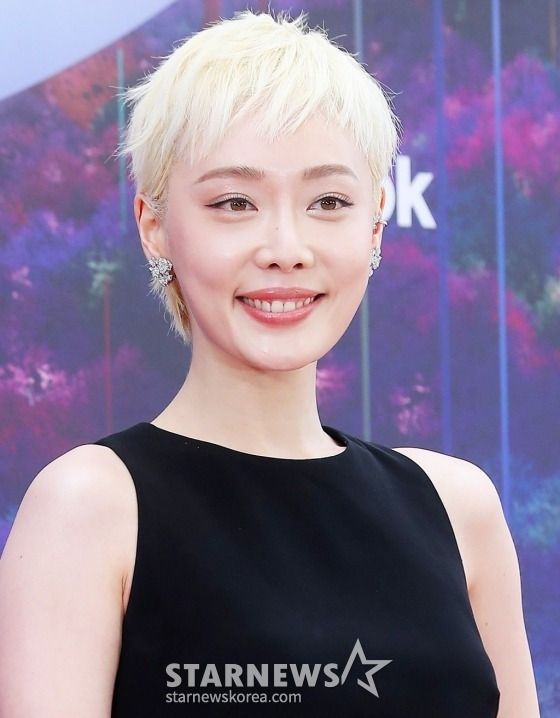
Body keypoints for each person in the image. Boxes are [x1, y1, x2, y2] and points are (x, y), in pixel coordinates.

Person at [0, 9, 539, 717]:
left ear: (375, 223)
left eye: (328, 201)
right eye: (235, 202)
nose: (286, 248)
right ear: (155, 226)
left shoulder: (459, 508)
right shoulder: (89, 508)